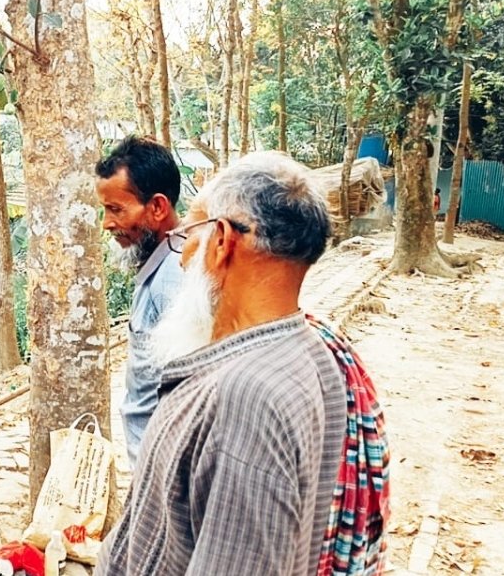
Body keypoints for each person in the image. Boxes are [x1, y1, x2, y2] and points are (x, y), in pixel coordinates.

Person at [97, 152, 390, 576]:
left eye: (189, 234)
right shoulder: (312, 354)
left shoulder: (247, 398)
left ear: (221, 240)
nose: (182, 256)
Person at [94, 136, 183, 464]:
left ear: (158, 207)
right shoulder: (160, 264)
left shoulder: (175, 275)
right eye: (105, 210)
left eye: (116, 209)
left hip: (164, 467)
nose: (107, 223)